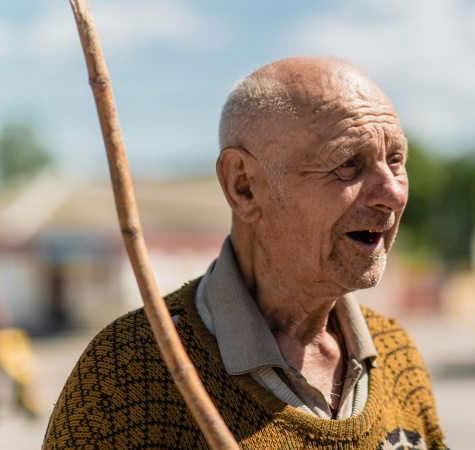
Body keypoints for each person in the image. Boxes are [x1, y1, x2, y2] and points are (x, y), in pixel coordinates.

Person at [43, 56, 447, 449]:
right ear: (244, 186)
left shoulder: (396, 356)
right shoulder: (128, 373)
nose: (392, 193)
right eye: (348, 164)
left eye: (395, 160)